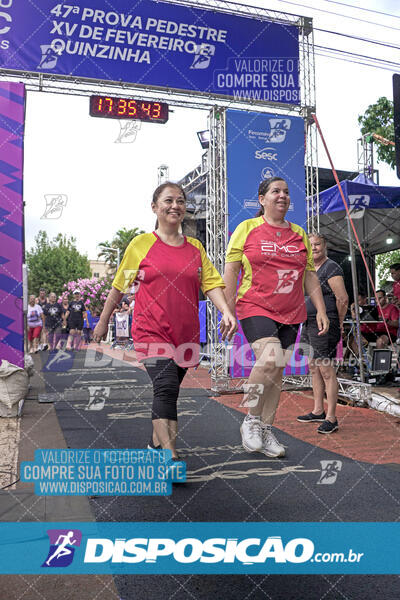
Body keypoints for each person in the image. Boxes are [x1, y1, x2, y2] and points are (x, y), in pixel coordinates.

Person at [93, 182, 236, 459]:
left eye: (180, 201)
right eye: (168, 200)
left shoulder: (195, 248)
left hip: (185, 334)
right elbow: (118, 287)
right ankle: (169, 455)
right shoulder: (140, 245)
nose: (175, 206)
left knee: (169, 393)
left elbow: (211, 284)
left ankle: (154, 445)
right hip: (151, 330)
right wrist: (103, 321)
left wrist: (226, 311)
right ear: (155, 207)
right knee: (166, 386)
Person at [224, 177, 329, 457]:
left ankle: (267, 429)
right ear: (262, 199)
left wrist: (319, 308)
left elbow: (309, 274)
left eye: (285, 192)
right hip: (255, 304)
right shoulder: (247, 228)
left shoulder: (299, 234)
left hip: (291, 311)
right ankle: (250, 418)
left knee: (277, 371)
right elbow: (232, 270)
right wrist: (227, 309)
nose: (282, 196)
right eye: (275, 191)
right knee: (269, 358)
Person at [297, 233, 348, 434]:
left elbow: (342, 298)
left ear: (325, 246)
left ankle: (332, 417)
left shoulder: (331, 267)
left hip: (326, 323)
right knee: (313, 367)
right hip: (309, 322)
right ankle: (318, 410)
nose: (314, 248)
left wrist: (339, 322)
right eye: (311, 245)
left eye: (318, 244)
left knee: (326, 370)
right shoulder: (308, 269)